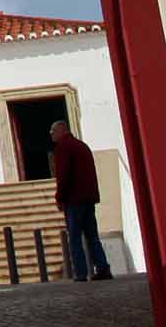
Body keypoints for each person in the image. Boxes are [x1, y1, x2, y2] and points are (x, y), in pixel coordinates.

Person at [51, 119, 112, 281]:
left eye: (53, 131)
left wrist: (59, 197)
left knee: (75, 238)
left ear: (61, 131)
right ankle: (102, 267)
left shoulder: (63, 148)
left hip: (73, 199)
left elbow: (63, 176)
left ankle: (81, 272)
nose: (51, 135)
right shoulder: (82, 146)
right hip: (88, 198)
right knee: (92, 235)